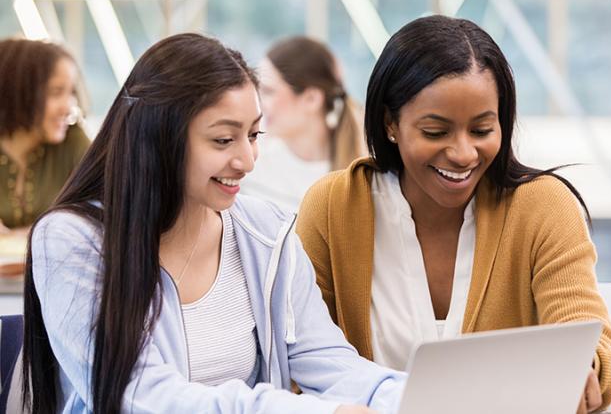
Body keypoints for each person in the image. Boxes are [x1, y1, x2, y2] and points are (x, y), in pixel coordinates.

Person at [21, 33, 404, 414]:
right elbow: (138, 396)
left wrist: (411, 395)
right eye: (223, 140)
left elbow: (332, 365)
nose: (248, 160)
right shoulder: (72, 240)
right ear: (159, 137)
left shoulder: (267, 233)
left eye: (254, 134)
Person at [296, 15, 611, 413]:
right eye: (436, 132)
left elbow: (592, 337)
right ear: (390, 123)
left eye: (482, 130)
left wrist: (586, 369)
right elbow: (299, 362)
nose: (464, 154)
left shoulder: (543, 207)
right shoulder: (334, 207)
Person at [243, 36, 365, 212]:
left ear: (311, 99)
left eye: (268, 91)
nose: (259, 103)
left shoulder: (361, 177)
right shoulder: (251, 163)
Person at [0, 38, 90, 234]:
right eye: (56, 93)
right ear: (18, 91)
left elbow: (101, 217)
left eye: (71, 93)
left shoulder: (74, 143)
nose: (68, 106)